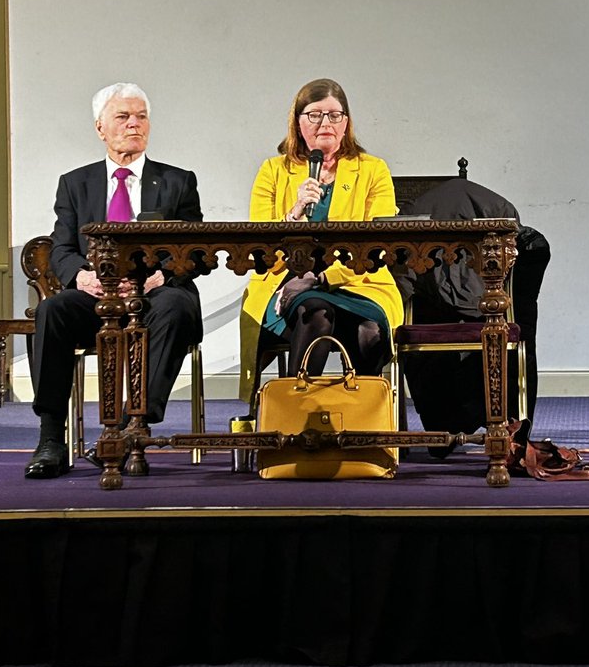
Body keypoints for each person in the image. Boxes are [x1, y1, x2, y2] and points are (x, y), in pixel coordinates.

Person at [24, 82, 204, 479]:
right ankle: (51, 437)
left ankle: (130, 428)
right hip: (98, 297)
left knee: (175, 307)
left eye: (141, 116)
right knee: (53, 310)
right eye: (122, 117)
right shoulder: (75, 183)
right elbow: (62, 249)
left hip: (158, 296)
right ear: (100, 128)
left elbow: (197, 251)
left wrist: (160, 275)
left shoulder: (177, 181)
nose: (133, 124)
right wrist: (83, 278)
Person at [238, 78, 402, 402]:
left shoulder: (373, 171)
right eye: (314, 115)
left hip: (359, 282)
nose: (325, 123)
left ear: (346, 123)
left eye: (334, 115)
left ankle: (363, 429)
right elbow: (260, 248)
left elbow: (376, 246)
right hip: (286, 284)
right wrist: (295, 211)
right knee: (316, 312)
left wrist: (321, 278)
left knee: (369, 331)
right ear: (298, 122)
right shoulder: (273, 171)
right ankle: (294, 420)